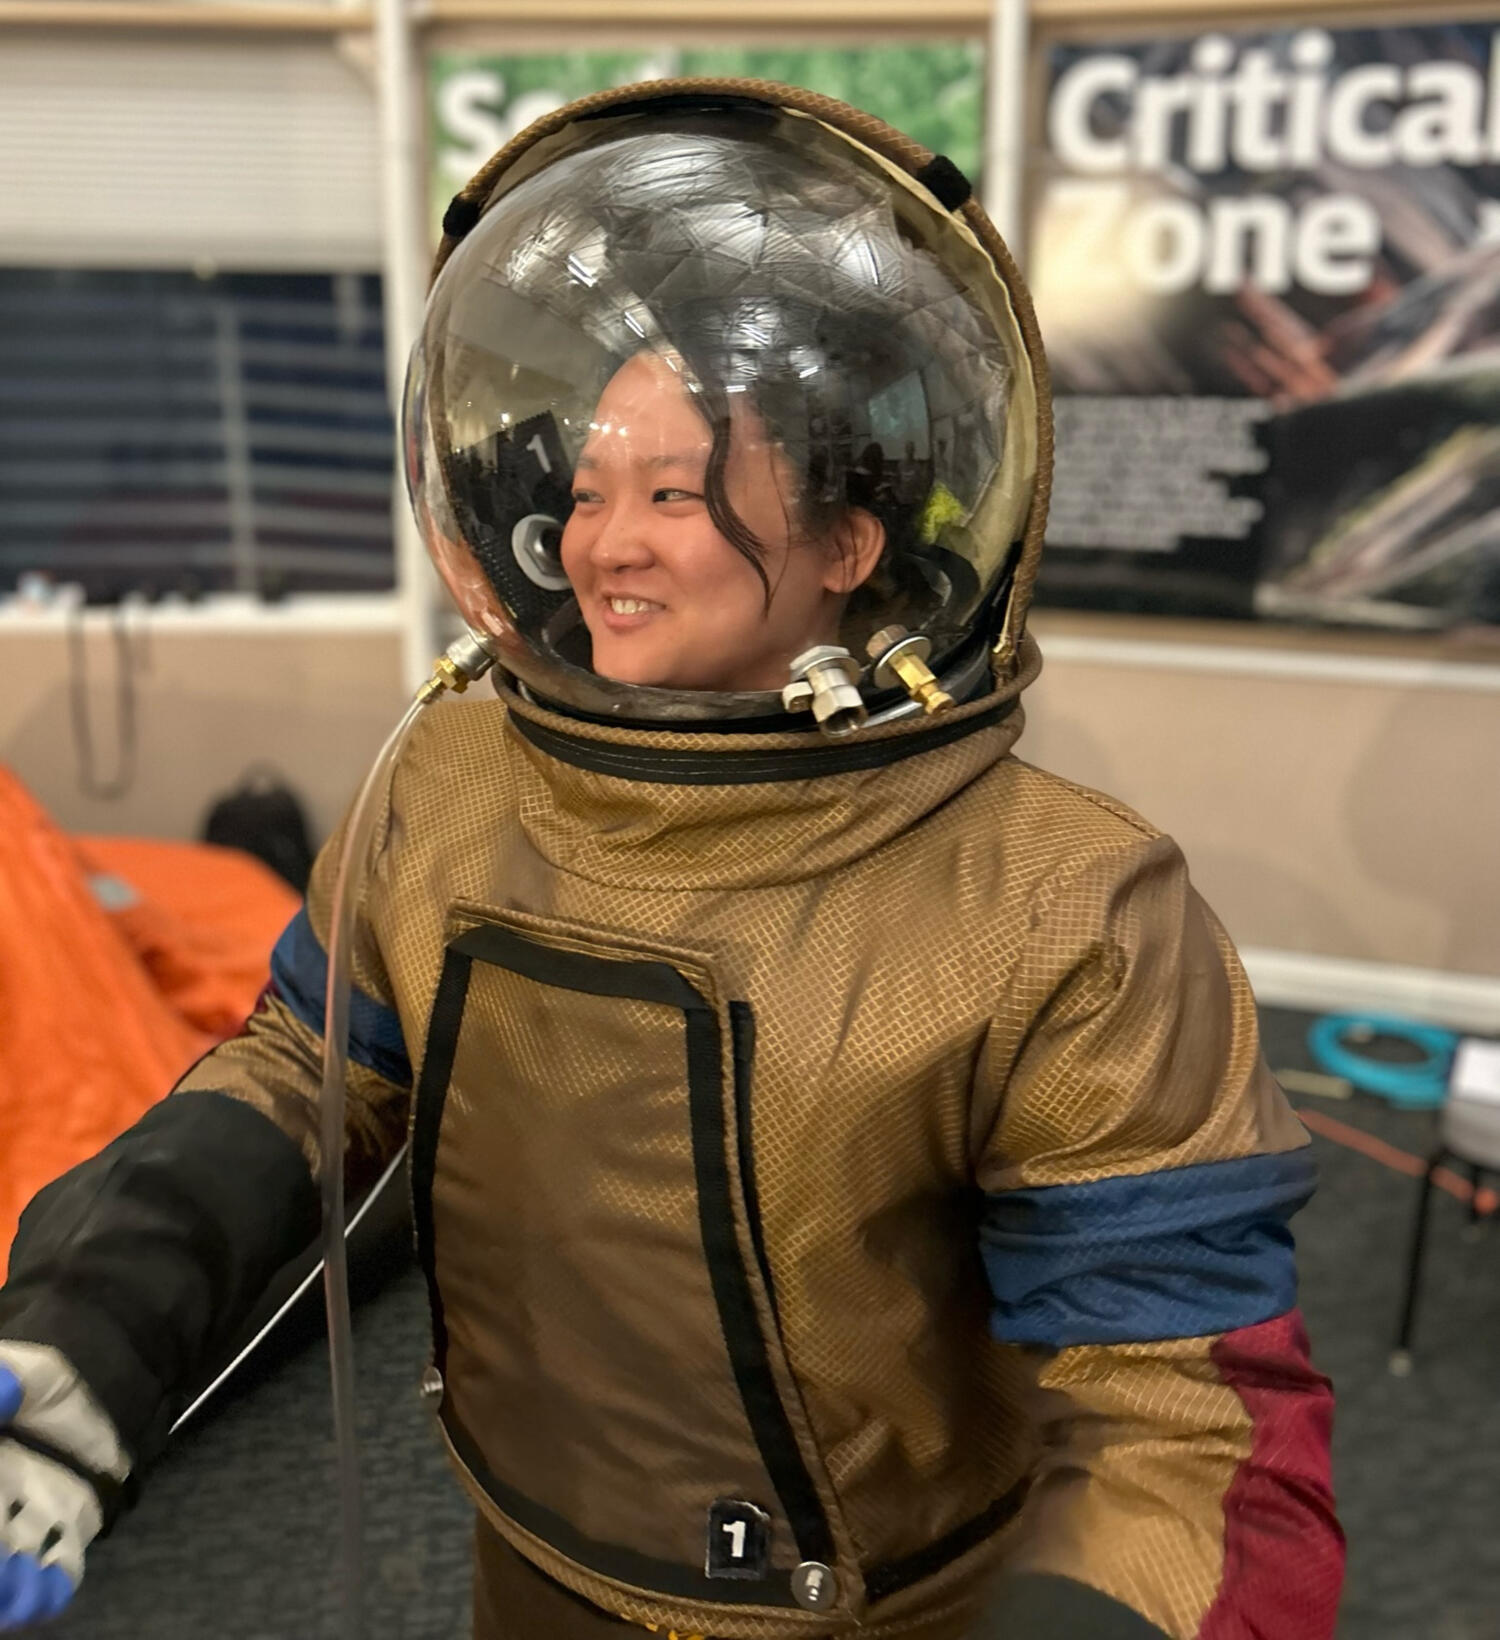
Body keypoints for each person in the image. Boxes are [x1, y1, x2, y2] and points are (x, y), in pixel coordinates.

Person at [0, 82, 1343, 1639]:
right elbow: (312, 1067)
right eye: (582, 493)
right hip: (531, 1561)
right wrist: (92, 1326)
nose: (599, 542)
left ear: (848, 544)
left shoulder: (1057, 911)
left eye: (672, 494)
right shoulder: (446, 785)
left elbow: (1179, 1418)